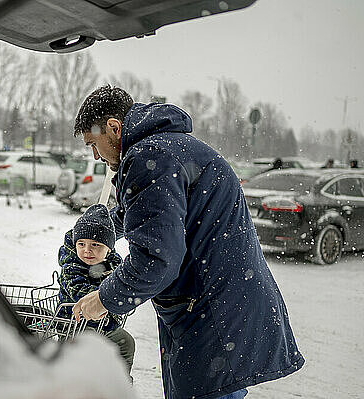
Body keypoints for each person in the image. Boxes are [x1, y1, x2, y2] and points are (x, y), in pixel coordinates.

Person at [71, 86, 304, 399]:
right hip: (222, 304)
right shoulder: (170, 147)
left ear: (113, 127)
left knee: (211, 391)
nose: (96, 156)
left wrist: (103, 299)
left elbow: (156, 260)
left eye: (94, 145)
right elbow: (153, 215)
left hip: (211, 313)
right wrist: (101, 226)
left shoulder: (147, 156)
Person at [57, 204, 135, 376]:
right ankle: (89, 385)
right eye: (81, 244)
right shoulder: (72, 267)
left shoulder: (114, 265)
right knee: (90, 348)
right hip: (74, 325)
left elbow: (123, 284)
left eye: (96, 245)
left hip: (104, 325)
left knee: (126, 342)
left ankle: (119, 383)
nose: (87, 250)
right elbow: (79, 290)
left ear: (108, 249)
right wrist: (107, 297)